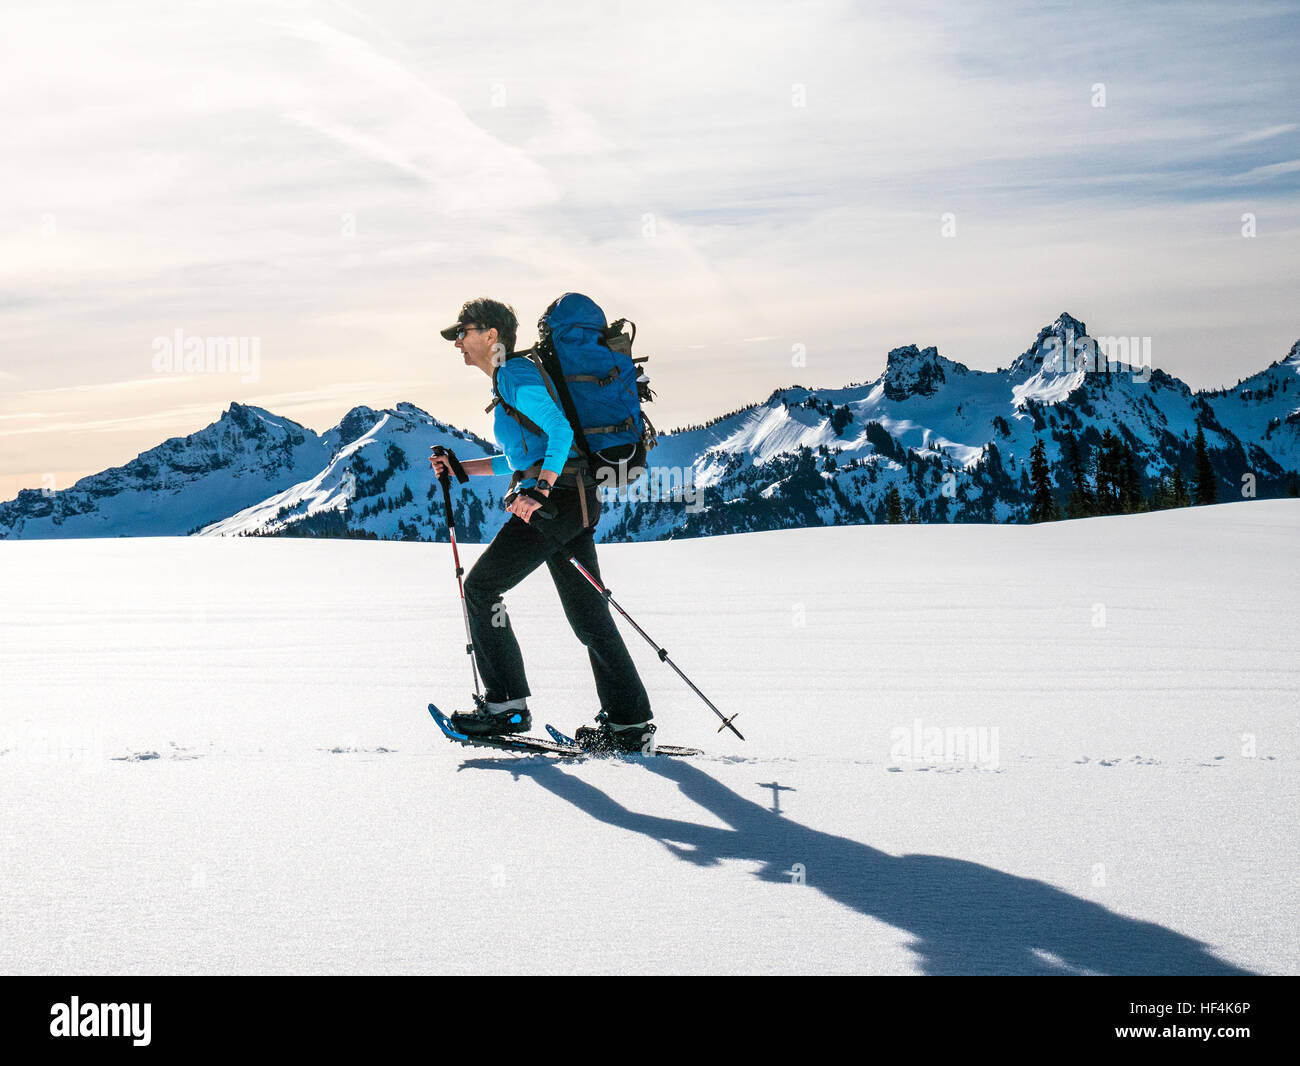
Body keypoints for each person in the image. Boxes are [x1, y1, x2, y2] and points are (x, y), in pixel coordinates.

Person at [430, 297, 655, 753]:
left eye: (463, 331)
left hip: (554, 504)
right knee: (590, 616)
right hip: (575, 500)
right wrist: (463, 469)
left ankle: (506, 704)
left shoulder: (513, 374)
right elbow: (524, 455)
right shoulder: (511, 378)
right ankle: (630, 724)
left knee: (481, 588)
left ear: (491, 336)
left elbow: (560, 431)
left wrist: (541, 489)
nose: (457, 342)